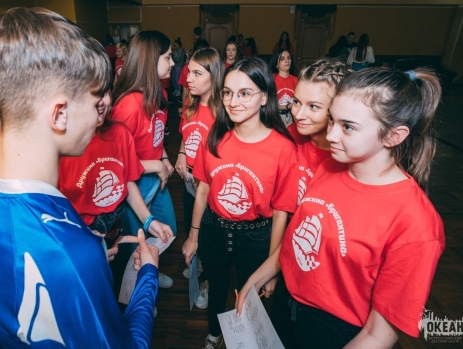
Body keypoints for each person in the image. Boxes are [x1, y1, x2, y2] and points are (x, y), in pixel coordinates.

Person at [0, 7, 160, 348]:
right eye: (95, 102)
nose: (100, 115)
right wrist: (147, 276)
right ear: (60, 114)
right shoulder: (70, 256)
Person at [237, 67, 445, 348]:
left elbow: (378, 334)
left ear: (393, 136)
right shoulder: (328, 168)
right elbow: (295, 241)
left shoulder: (416, 222)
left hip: (338, 333)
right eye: (332, 120)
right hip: (288, 306)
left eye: (348, 127)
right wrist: (257, 278)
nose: (332, 135)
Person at [182, 58, 299, 349]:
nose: (233, 102)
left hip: (256, 237)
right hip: (213, 230)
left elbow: (281, 213)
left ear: (264, 97)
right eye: (228, 93)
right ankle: (214, 333)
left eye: (245, 93)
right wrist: (194, 236)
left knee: (250, 299)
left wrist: (272, 269)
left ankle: (244, 341)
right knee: (216, 289)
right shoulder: (215, 137)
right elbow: (202, 190)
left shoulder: (283, 149)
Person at [58, 89, 173, 241]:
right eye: (92, 94)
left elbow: (126, 181)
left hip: (118, 221)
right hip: (80, 230)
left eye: (104, 93)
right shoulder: (62, 148)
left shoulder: (120, 133)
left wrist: (149, 221)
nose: (101, 102)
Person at [111, 30, 178, 289]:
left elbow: (155, 137)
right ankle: (137, 289)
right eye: (168, 57)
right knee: (134, 244)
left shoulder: (159, 94)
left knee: (168, 229)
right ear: (151, 60)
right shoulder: (128, 106)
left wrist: (165, 158)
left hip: (154, 180)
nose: (173, 63)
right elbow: (117, 164)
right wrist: (155, 165)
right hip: (133, 185)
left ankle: (150, 268)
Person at [174, 48, 225, 309]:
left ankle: (207, 282)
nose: (188, 78)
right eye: (188, 72)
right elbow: (186, 134)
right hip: (188, 181)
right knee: (191, 228)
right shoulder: (190, 104)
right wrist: (182, 153)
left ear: (213, 75)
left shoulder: (224, 112)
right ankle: (199, 265)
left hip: (209, 187)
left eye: (196, 73)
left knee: (208, 237)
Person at [289, 58, 351, 204]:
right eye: (296, 102)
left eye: (313, 106)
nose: (299, 115)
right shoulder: (290, 134)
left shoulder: (349, 156)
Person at [273, 49, 298, 127]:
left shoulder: (296, 80)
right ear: (276, 63)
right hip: (275, 118)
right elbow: (269, 105)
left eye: (289, 58)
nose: (287, 61)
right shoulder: (271, 79)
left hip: (293, 117)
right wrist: (287, 106)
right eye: (282, 59)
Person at [171, 37, 186, 102]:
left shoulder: (181, 51)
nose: (175, 47)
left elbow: (177, 59)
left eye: (176, 45)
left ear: (179, 45)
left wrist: (173, 56)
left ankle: (179, 90)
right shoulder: (176, 51)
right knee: (174, 79)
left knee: (177, 79)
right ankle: (176, 89)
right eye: (174, 45)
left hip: (178, 67)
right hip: (175, 66)